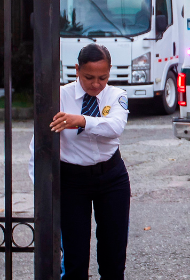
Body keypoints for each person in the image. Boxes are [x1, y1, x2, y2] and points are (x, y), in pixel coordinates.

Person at [30, 43, 131, 279]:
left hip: (112, 177)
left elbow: (115, 127)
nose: (96, 84)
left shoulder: (117, 95)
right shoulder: (59, 97)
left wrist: (81, 120)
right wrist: (41, 187)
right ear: (77, 70)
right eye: (88, 77)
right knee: (74, 258)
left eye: (102, 78)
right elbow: (40, 145)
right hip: (72, 181)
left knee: (114, 255)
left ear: (109, 71)